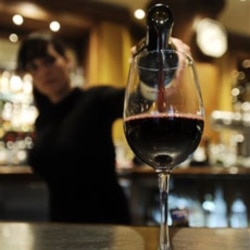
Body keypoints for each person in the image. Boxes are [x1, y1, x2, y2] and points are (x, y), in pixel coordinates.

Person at [16, 31, 190, 224]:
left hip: (105, 221)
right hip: (60, 224)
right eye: (34, 67)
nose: (43, 72)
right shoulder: (43, 120)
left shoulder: (95, 101)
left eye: (49, 61)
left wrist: (157, 59)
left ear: (67, 61)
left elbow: (141, 97)